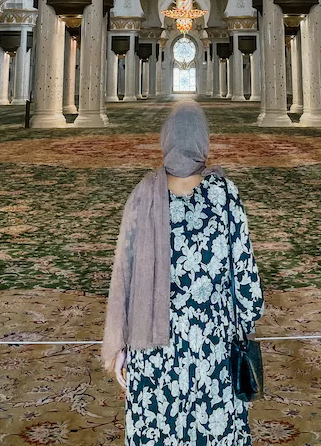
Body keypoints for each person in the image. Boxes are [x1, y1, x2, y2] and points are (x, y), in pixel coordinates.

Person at [102, 102, 264, 445]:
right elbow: (246, 280)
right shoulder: (223, 196)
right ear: (203, 142)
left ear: (166, 141)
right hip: (213, 348)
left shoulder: (143, 196)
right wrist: (244, 324)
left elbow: (124, 280)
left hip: (152, 344)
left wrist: (121, 345)